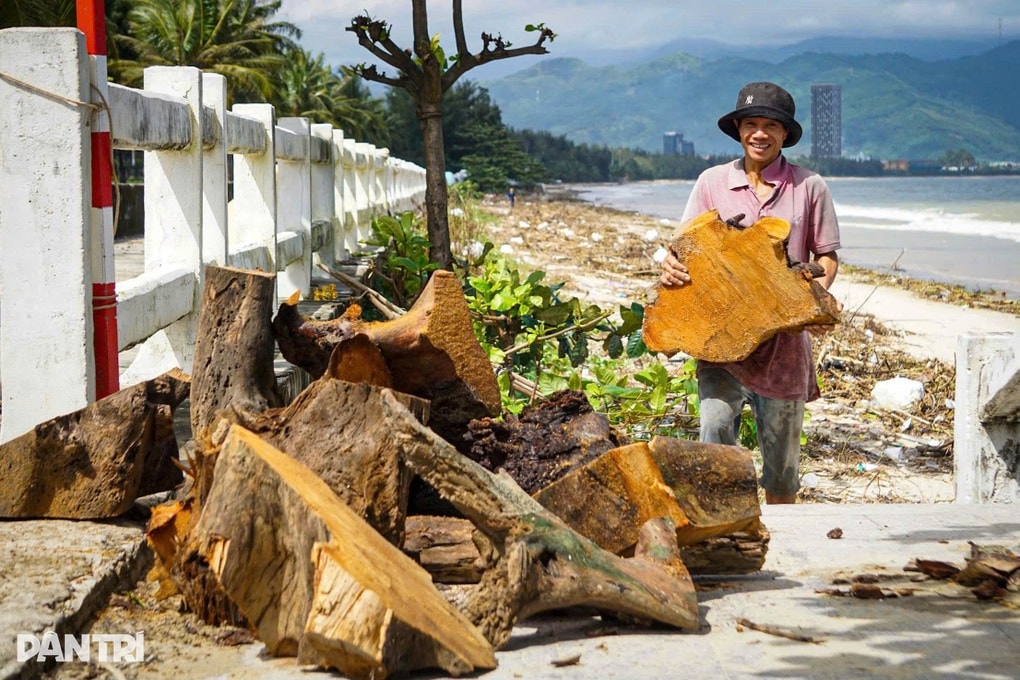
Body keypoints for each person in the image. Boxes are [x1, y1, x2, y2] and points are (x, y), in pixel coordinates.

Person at [659, 81, 841, 504]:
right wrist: (670, 265)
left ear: (785, 134)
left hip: (784, 350)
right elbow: (684, 248)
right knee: (715, 444)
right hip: (720, 344)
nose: (760, 133)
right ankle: (723, 540)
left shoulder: (810, 186)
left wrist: (806, 298)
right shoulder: (711, 183)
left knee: (781, 475)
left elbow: (827, 258)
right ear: (739, 129)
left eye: (771, 126)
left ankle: (784, 550)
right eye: (751, 124)